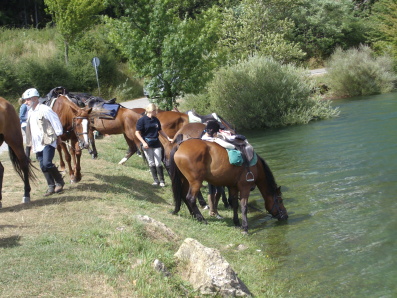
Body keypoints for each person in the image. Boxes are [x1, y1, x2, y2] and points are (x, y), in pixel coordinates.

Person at [22, 88, 65, 196]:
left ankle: (59, 181)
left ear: (35, 98)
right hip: (37, 143)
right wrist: (30, 144)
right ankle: (51, 186)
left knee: (47, 163)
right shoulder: (30, 112)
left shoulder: (44, 109)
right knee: (43, 166)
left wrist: (59, 135)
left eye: (27, 100)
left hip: (48, 140)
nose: (26, 102)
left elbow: (55, 121)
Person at [135, 103, 172, 187]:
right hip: (147, 144)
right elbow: (137, 133)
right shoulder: (142, 120)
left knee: (158, 162)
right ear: (152, 111)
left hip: (156, 143)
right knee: (151, 163)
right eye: (155, 111)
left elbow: (160, 130)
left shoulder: (156, 120)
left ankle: (162, 181)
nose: (156, 112)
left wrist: (168, 138)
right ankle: (156, 180)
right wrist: (143, 143)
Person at [201, 120, 224, 217]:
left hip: (215, 167)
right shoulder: (207, 140)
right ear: (212, 131)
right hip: (211, 168)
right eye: (216, 132)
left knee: (218, 191)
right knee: (213, 190)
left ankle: (214, 208)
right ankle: (213, 211)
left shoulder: (206, 137)